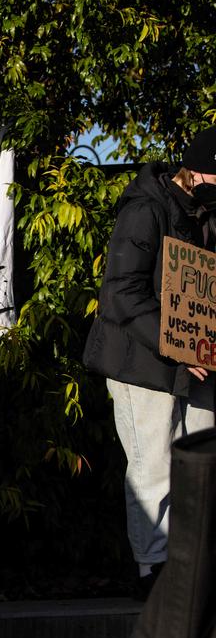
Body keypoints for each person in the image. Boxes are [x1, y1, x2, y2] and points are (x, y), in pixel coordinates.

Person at [83, 126, 216, 597]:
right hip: (142, 363)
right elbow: (118, 294)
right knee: (152, 465)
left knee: (199, 463)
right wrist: (177, 344)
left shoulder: (204, 212)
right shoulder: (145, 210)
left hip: (193, 362)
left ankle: (187, 567)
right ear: (196, 172)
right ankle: (153, 570)